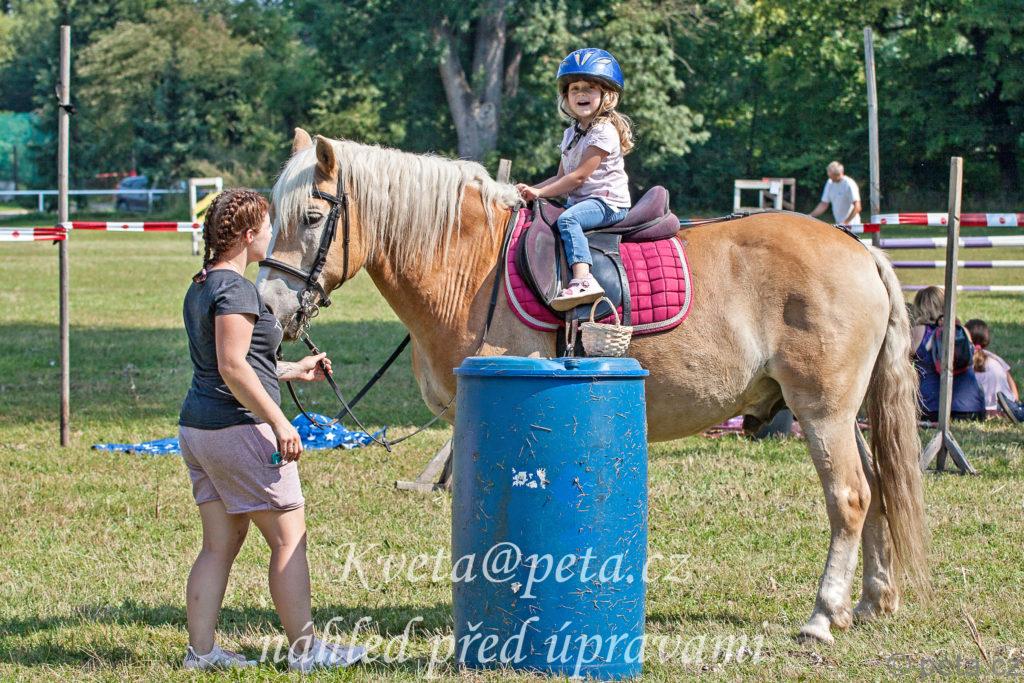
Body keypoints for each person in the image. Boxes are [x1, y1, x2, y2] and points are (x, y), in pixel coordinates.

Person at [178, 188, 366, 671]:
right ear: (247, 235)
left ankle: (201, 653)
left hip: (200, 430)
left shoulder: (203, 284)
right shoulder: (238, 290)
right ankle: (306, 652)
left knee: (219, 545)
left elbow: (237, 362)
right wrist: (280, 422)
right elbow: (232, 367)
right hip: (240, 429)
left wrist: (292, 369)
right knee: (288, 539)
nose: (273, 235)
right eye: (267, 228)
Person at [516, 47, 634, 311]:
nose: (581, 94)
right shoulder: (571, 133)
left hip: (607, 203)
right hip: (582, 201)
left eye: (590, 88)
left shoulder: (604, 132)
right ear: (566, 97)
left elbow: (578, 177)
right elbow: (561, 177)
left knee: (568, 220)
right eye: (575, 89)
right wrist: (530, 190)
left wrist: (540, 193)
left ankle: (584, 280)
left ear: (606, 95)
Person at [909, 286, 985, 422]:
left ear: (920, 307)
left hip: (931, 408)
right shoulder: (962, 331)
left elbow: (901, 364)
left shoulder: (918, 331)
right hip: (970, 408)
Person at [965, 318, 1024, 422]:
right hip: (1005, 407)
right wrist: (1015, 401)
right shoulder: (995, 358)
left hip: (978, 409)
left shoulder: (965, 360)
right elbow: (1012, 384)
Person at [809, 161, 862, 225]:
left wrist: (846, 222)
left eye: (831, 176)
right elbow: (824, 204)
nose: (830, 178)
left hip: (853, 224)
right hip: (839, 224)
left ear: (839, 174)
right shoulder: (830, 183)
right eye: (829, 175)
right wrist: (810, 216)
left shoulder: (849, 184)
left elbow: (857, 206)